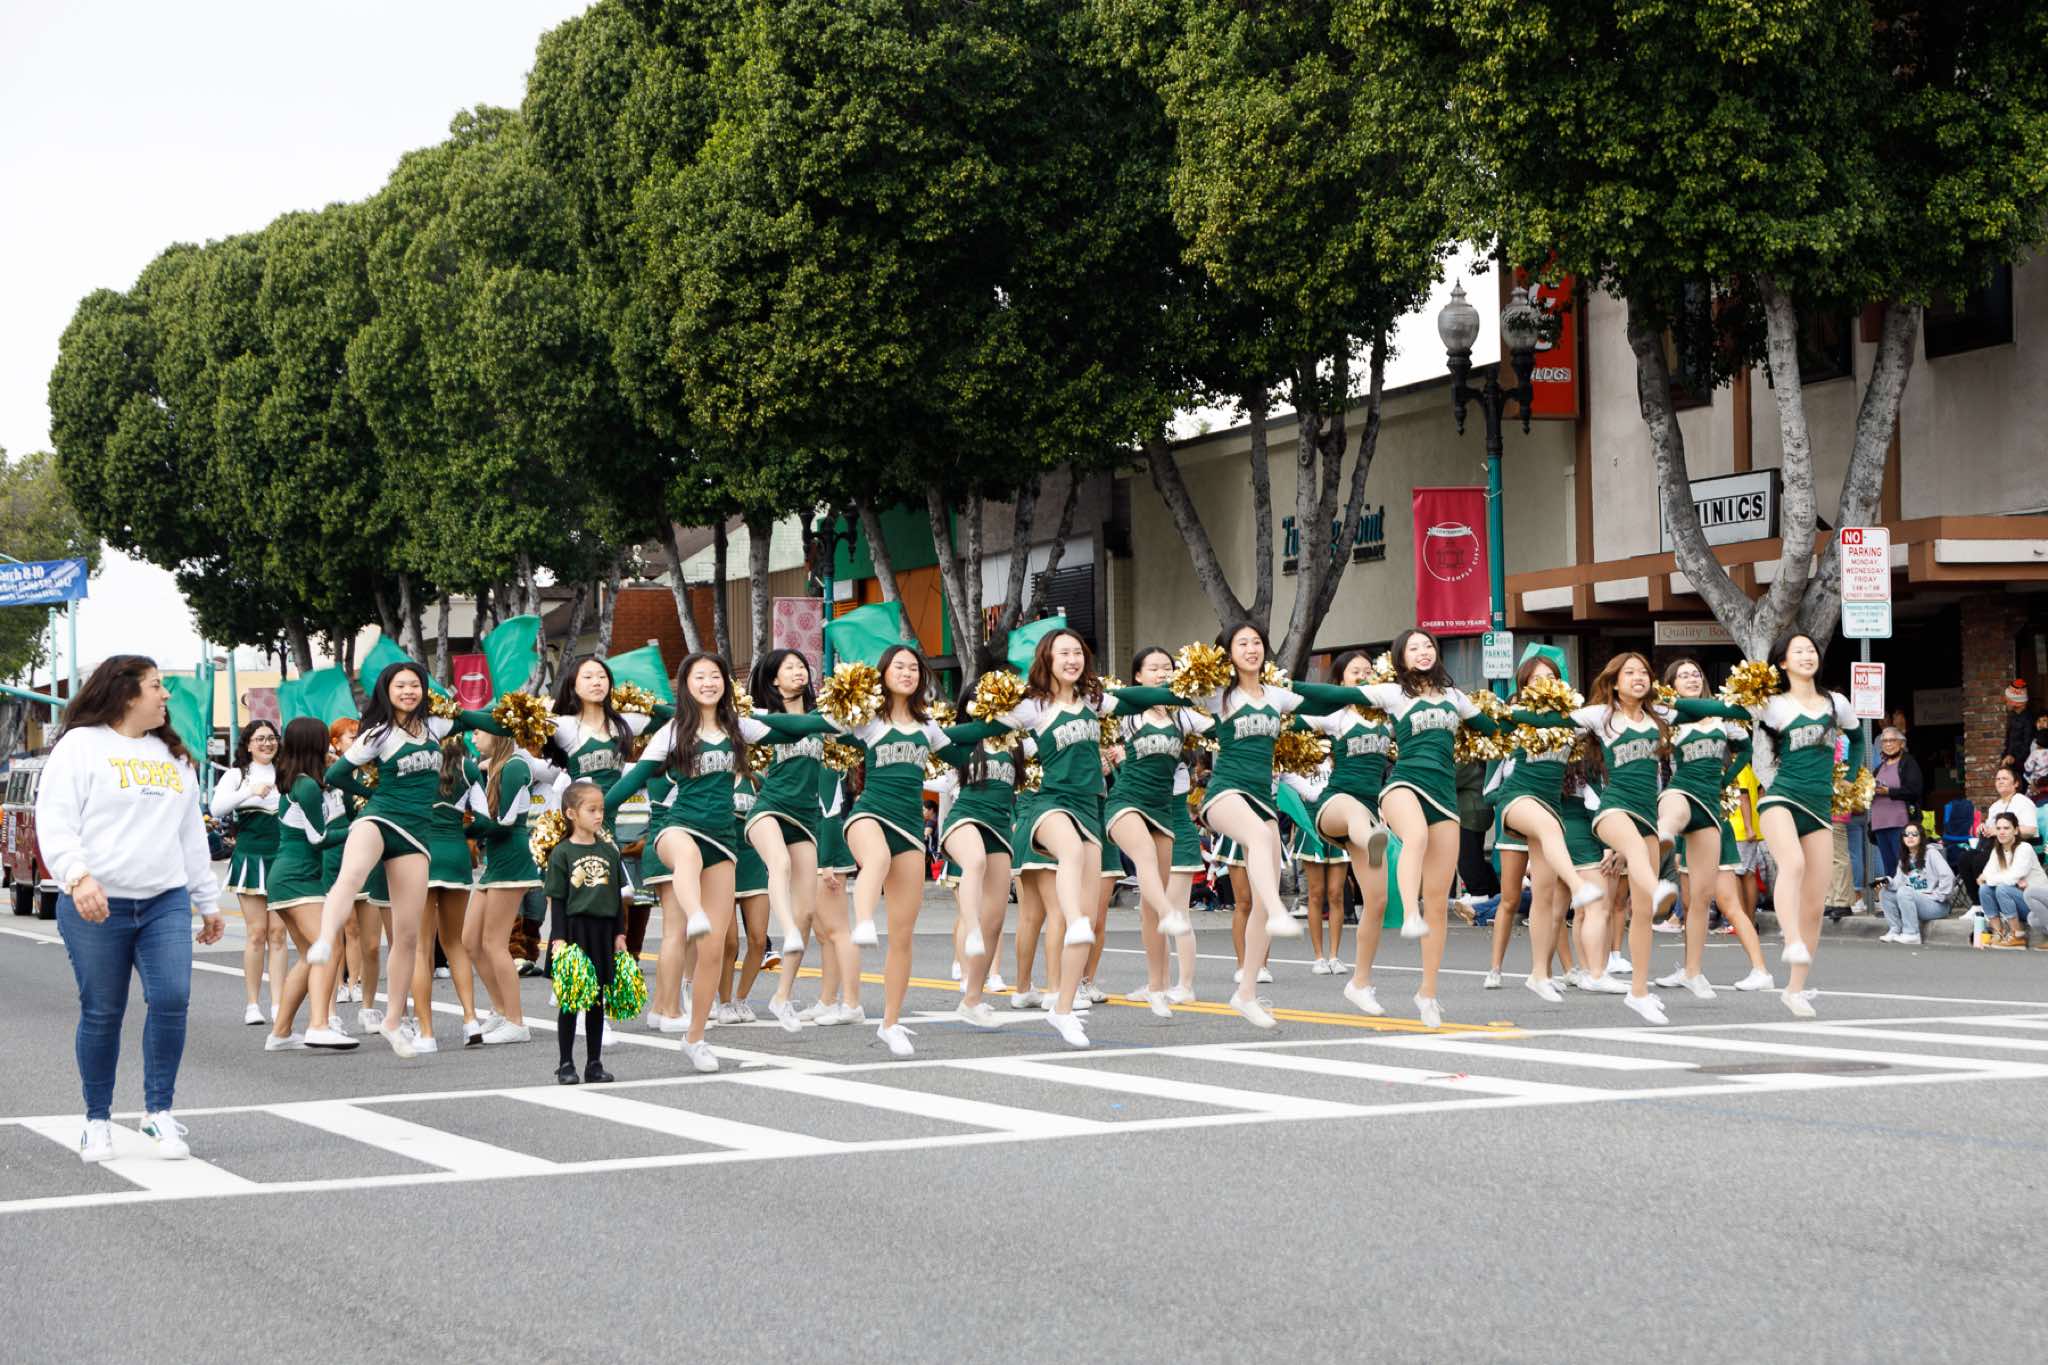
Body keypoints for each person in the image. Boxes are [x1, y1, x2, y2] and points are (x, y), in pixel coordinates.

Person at [36, 655, 225, 1162]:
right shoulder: (81, 746)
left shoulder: (174, 757)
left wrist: (207, 901)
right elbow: (55, 820)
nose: (166, 696)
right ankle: (96, 1120)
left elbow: (190, 836)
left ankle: (158, 1112)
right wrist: (77, 877)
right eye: (156, 686)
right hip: (97, 905)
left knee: (172, 999)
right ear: (126, 694)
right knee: (103, 1011)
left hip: (163, 901)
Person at [304, 662, 506, 1058]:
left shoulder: (435, 726)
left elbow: (493, 725)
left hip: (416, 834)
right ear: (387, 691)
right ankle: (325, 940)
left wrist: (459, 711)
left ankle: (394, 1020)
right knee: (351, 875)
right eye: (401, 685)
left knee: (409, 935)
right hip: (379, 818)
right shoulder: (378, 733)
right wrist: (372, 792)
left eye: (415, 685)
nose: (409, 691)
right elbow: (339, 774)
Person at [1674, 632, 1864, 1018]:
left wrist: (1849, 778)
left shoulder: (1836, 703)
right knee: (1792, 864)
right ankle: (1790, 939)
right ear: (1783, 662)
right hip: (1781, 798)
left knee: (1815, 903)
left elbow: (1858, 740)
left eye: (1811, 650)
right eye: (1798, 651)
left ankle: (1795, 990)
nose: (1807, 656)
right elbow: (1720, 707)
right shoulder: (1773, 704)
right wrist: (1667, 702)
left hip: (1819, 807)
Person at [263, 718, 359, 1052]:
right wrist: (359, 829)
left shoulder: (302, 782)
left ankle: (280, 1033)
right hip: (297, 876)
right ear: (314, 744)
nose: (329, 746)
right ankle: (318, 1025)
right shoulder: (305, 785)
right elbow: (318, 838)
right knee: (325, 946)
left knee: (309, 955)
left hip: (292, 876)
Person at [544, 781, 626, 1084]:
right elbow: (558, 900)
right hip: (573, 930)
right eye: (591, 810)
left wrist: (620, 934)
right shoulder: (562, 853)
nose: (598, 815)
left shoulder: (609, 851)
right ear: (571, 813)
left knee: (596, 1001)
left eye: (601, 809)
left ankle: (594, 1063)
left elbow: (617, 898)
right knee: (570, 1000)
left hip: (602, 930)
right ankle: (566, 1063)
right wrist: (559, 938)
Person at [212, 719, 283, 1026]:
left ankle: (279, 1003)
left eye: (272, 738)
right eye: (260, 739)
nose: (267, 743)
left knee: (278, 934)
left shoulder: (287, 772)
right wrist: (248, 791)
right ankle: (253, 1004)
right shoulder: (237, 775)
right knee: (256, 933)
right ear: (249, 744)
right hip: (251, 858)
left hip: (283, 858)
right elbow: (216, 808)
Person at [1878, 822, 1953, 945]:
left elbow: (1948, 876)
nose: (1910, 837)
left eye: (1914, 834)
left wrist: (1940, 895)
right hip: (1916, 901)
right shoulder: (1904, 858)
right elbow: (1897, 883)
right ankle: (1895, 930)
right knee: (1885, 893)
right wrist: (1887, 881)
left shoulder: (1931, 853)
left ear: (1921, 837)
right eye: (1906, 834)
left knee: (1905, 891)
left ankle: (1912, 934)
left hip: (1936, 905)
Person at [1975, 811, 2040, 948]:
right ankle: (1999, 933)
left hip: (2036, 905)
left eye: (2006, 828)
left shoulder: (2024, 848)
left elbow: (2011, 878)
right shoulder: (1997, 851)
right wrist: (1991, 878)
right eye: (1998, 828)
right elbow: (1984, 878)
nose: (2001, 832)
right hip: (2016, 900)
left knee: (2003, 889)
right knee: (1985, 889)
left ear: (2015, 830)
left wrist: (1991, 878)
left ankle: (2018, 936)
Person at [1867, 726, 1921, 882]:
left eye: (1892, 740)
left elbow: (1914, 790)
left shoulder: (1908, 763)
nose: (1888, 744)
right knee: (1889, 869)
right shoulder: (1879, 768)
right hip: (1880, 825)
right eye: (1884, 741)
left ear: (1901, 743)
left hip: (1900, 824)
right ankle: (1893, 896)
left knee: (1904, 866)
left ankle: (1908, 895)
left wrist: (1889, 792)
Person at [1998, 679, 2034, 770]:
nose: (2005, 703)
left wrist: (2014, 758)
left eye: (2008, 700)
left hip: (2023, 766)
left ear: (2017, 702)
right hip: (2010, 763)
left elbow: (2028, 745)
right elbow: (2009, 742)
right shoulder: (2013, 716)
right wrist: (2004, 756)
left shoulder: (2029, 720)